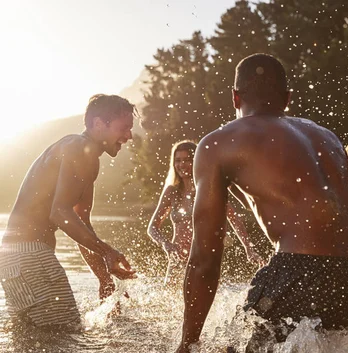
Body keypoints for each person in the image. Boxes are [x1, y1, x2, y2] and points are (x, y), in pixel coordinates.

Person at [174, 54, 348, 353]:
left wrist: (187, 346)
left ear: (235, 96)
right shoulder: (327, 136)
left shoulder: (218, 143)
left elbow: (204, 258)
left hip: (302, 276)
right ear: (287, 99)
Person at [0, 94, 137, 328]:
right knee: (65, 338)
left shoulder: (80, 151)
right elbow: (60, 213)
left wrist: (104, 278)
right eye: (123, 128)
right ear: (98, 124)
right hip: (32, 257)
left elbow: (81, 222)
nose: (129, 135)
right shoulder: (80, 149)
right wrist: (107, 251)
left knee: (34, 345)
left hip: (14, 258)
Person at [147, 140, 264, 286]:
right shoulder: (172, 192)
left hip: (204, 259)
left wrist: (248, 249)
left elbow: (234, 219)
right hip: (177, 261)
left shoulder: (210, 188)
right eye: (178, 160)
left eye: (187, 160)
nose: (181, 165)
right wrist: (166, 244)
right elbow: (152, 227)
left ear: (196, 161)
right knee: (169, 306)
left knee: (200, 304)